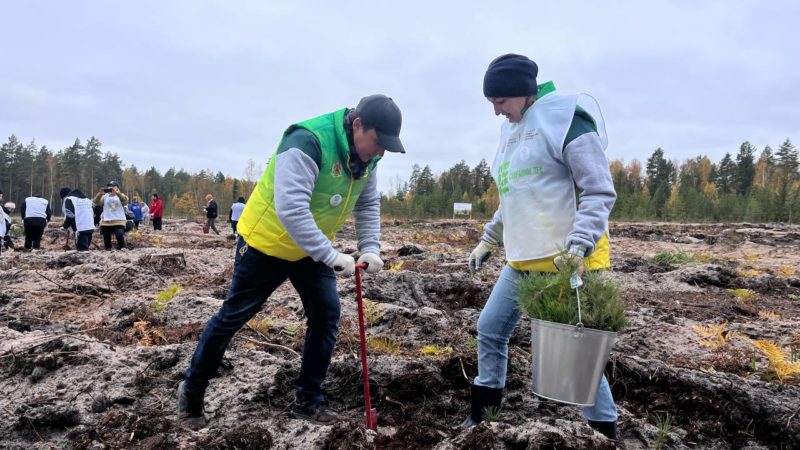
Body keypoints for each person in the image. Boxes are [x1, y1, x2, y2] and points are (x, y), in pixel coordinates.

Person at [177, 94, 406, 429]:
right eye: (378, 142)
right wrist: (330, 256)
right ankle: (192, 391)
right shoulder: (307, 142)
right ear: (358, 125)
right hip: (265, 244)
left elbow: (367, 203)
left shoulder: (368, 159)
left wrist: (370, 246)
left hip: (308, 250)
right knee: (234, 316)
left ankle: (309, 398)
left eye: (387, 146)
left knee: (326, 315)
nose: (381, 152)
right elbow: (291, 210)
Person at [459, 54, 619, 439]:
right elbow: (515, 194)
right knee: (491, 328)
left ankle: (604, 430)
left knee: (574, 352)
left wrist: (579, 247)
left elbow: (598, 190)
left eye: (500, 102)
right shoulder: (512, 130)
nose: (497, 112)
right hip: (522, 259)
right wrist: (488, 240)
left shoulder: (567, 120)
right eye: (492, 104)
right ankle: (483, 415)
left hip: (567, 261)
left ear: (522, 93)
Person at [93, 181, 129, 250]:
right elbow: (97, 202)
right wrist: (100, 194)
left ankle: (122, 248)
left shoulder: (121, 195)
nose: (110, 187)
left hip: (118, 220)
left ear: (117, 188)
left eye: (113, 186)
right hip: (106, 220)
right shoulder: (105, 196)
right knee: (106, 236)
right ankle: (108, 249)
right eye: (109, 186)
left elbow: (125, 200)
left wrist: (117, 193)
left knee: (119, 234)